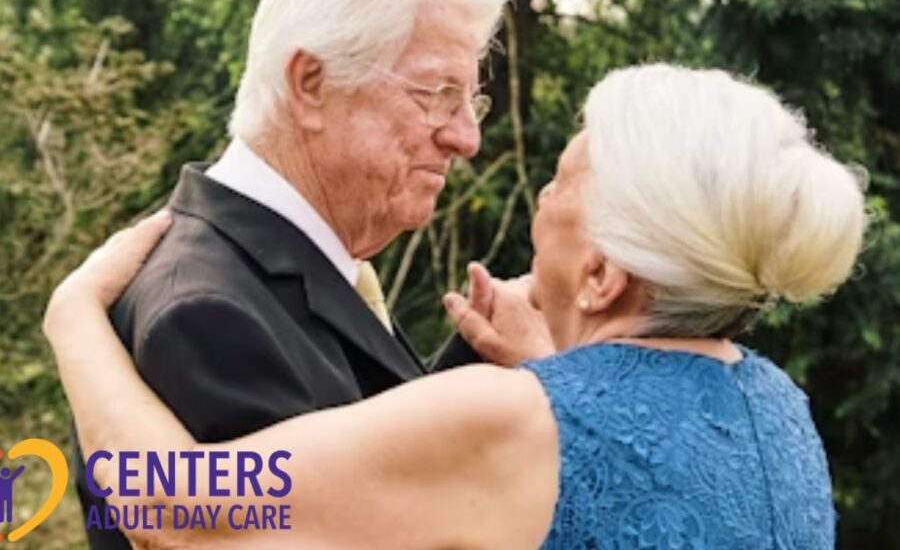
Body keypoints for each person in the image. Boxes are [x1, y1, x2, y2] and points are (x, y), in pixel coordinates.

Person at [46, 64, 866, 549]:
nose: (539, 199)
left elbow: (173, 505)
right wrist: (561, 373)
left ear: (603, 276)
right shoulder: (775, 406)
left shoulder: (512, 420)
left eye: (557, 186)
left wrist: (76, 313)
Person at [70, 0, 525, 548]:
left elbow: (356, 475)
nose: (466, 137)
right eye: (437, 94)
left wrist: (483, 374)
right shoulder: (209, 317)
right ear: (311, 83)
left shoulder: (296, 265)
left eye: (471, 101)